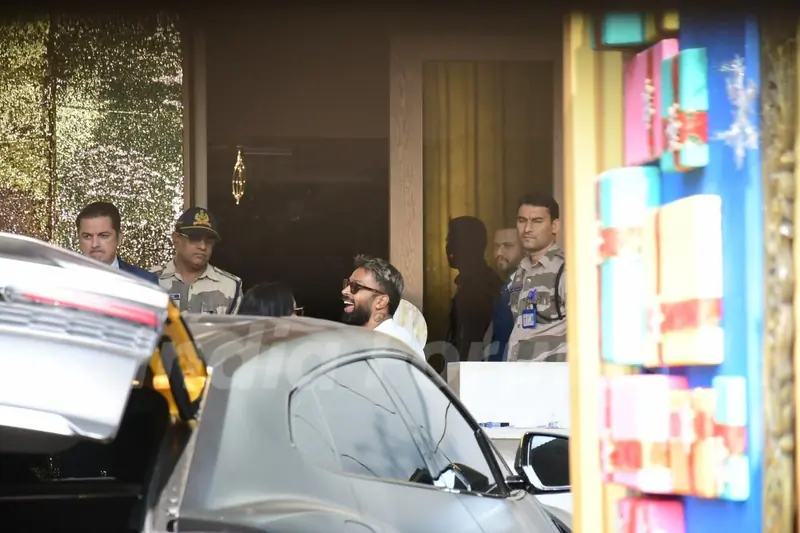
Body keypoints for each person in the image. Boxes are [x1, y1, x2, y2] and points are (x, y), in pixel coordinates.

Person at [149, 207, 243, 314]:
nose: (203, 246)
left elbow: (237, 330)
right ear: (176, 239)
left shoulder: (230, 286)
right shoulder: (150, 281)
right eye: (195, 238)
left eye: (209, 241)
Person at [507, 193, 566, 362]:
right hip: (521, 378)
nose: (527, 229)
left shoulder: (566, 271)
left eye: (537, 221)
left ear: (555, 226)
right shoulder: (521, 271)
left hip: (553, 379)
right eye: (522, 220)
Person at [341, 254, 425, 360]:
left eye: (355, 287)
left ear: (381, 301)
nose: (344, 291)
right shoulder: (362, 340)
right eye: (347, 284)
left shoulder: (394, 348)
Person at [444, 216, 504, 362]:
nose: (447, 247)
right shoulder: (476, 283)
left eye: (451, 241)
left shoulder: (477, 290)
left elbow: (470, 345)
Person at [75, 201, 158, 284]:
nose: (94, 244)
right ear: (79, 238)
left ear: (119, 238)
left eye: (103, 235)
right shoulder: (64, 279)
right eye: (87, 236)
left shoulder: (145, 281)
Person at [486, 228, 524, 361]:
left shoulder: (530, 289)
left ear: (524, 249)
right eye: (496, 246)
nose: (499, 252)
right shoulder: (504, 289)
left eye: (507, 246)